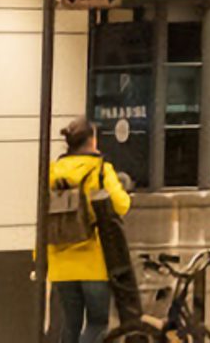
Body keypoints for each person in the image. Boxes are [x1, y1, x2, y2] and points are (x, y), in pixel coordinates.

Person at [47, 116, 131, 343]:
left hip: (60, 263)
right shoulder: (100, 170)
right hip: (93, 261)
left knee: (70, 325)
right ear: (92, 141)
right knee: (97, 323)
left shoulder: (52, 172)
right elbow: (121, 205)